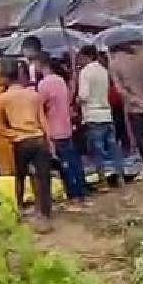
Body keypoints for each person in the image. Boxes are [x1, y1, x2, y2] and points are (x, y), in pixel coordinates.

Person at [0, 60, 54, 224]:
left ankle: (17, 211)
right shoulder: (33, 94)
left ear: (5, 78)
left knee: (20, 178)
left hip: (20, 141)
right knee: (43, 178)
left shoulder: (4, 98)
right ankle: (44, 214)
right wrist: (49, 140)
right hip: (38, 139)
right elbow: (43, 120)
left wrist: (8, 133)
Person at [109, 39, 143, 177]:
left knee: (142, 142)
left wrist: (136, 101)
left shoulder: (115, 63)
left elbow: (120, 90)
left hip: (135, 108)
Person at [37, 54, 87, 208]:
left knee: (65, 165)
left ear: (41, 65)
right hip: (66, 126)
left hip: (54, 129)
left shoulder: (44, 84)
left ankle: (73, 196)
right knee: (74, 161)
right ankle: (81, 193)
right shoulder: (60, 81)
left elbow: (40, 107)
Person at [77, 45, 124, 187]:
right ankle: (120, 177)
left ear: (86, 57)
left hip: (93, 115)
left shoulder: (85, 72)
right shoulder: (104, 70)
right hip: (106, 114)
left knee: (97, 151)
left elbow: (84, 96)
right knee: (113, 148)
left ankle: (103, 181)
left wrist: (77, 100)